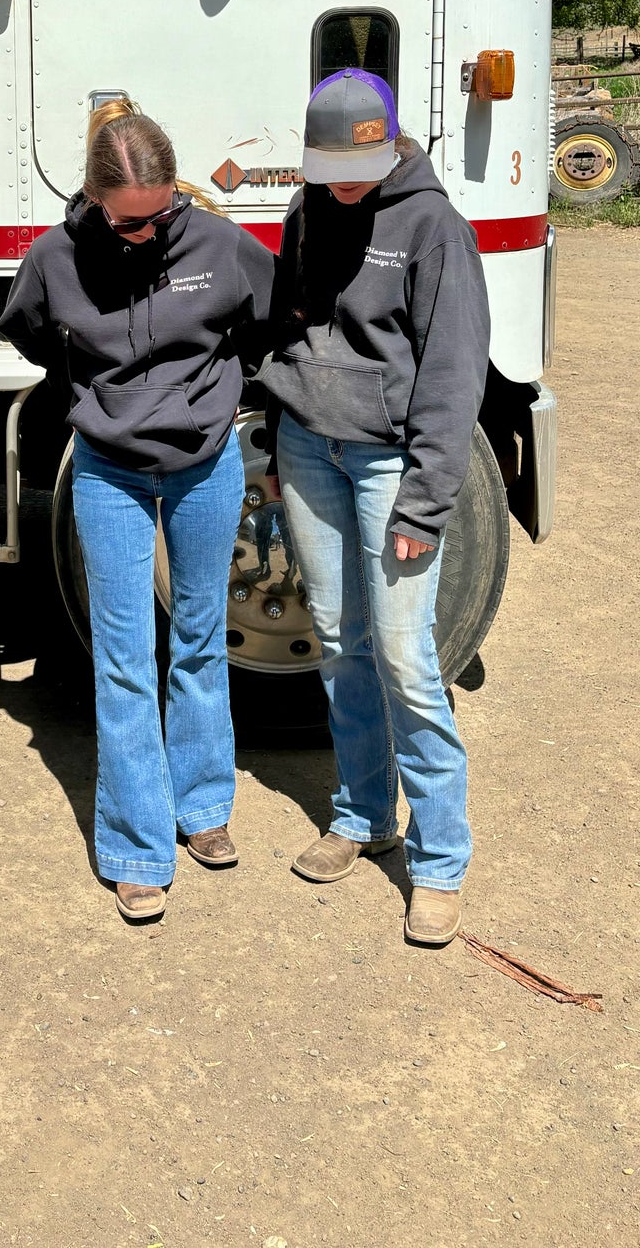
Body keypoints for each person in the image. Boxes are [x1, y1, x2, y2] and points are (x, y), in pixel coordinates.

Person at [0, 101, 274, 923]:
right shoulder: (53, 259)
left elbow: (263, 321)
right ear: (92, 200)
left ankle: (202, 806)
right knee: (123, 658)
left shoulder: (220, 245)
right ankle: (135, 847)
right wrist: (100, 395)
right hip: (108, 472)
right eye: (127, 223)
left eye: (160, 216)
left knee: (198, 636)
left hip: (206, 467)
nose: (147, 234)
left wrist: (214, 392)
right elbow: (30, 334)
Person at [260, 69, 490, 947]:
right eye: (322, 167)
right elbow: (291, 323)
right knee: (336, 639)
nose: (338, 183)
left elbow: (453, 369)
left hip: (388, 464)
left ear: (388, 142)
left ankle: (439, 863)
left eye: (350, 167)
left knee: (404, 655)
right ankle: (361, 814)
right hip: (308, 451)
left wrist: (424, 500)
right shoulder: (309, 208)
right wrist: (281, 429)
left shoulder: (433, 227)